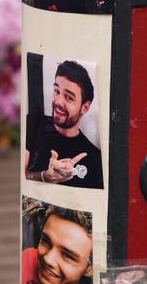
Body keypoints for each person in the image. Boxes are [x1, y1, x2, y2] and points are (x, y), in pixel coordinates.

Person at [25, 60, 103, 189]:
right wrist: (44, 176)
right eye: (57, 91)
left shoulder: (94, 158)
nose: (58, 101)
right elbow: (21, 176)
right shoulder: (33, 124)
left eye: (69, 97)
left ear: (85, 107)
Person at [21, 206, 93, 284]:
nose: (48, 259)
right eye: (46, 241)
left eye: (67, 255)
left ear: (90, 269)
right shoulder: (27, 258)